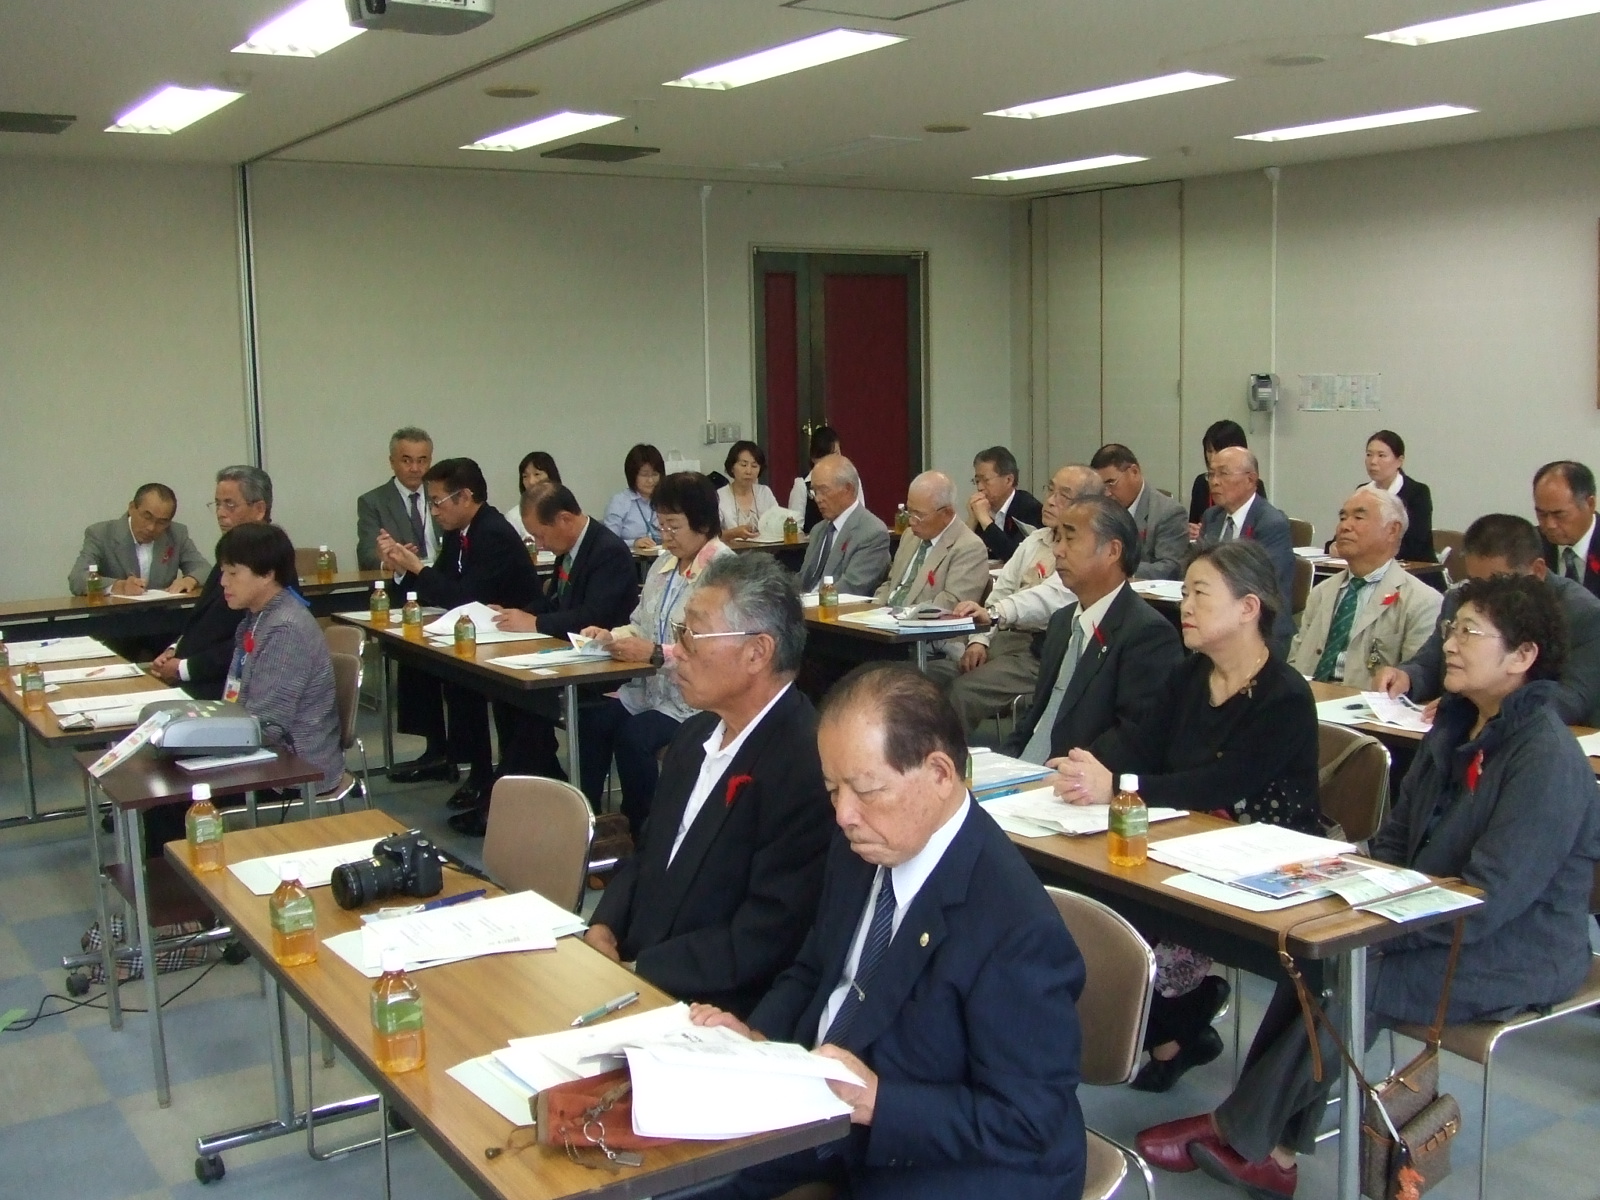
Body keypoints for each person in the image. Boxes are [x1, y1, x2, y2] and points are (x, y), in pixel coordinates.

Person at [1137, 574, 1600, 1199]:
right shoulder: (1455, 728)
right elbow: (1393, 842)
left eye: (1469, 632)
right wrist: (1335, 877)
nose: (1449, 644)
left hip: (1518, 946)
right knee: (1318, 954)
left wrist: (1375, 931)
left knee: (1361, 973)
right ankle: (1270, 1148)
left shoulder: (1544, 756)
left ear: (1523, 657)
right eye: (1451, 628)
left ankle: (1239, 1133)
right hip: (1430, 916)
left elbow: (1493, 899)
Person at [674, 664, 1088, 1200]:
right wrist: (758, 1042)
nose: (844, 814)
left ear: (940, 774)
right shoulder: (865, 845)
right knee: (672, 1175)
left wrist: (878, 1101)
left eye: (867, 789)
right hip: (829, 1108)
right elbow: (814, 971)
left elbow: (1028, 1121)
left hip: (950, 1161)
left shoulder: (1016, 927)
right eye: (832, 789)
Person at [1052, 539, 1320, 1093]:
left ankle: (1179, 1019)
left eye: (1200, 593)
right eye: (1185, 592)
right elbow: (1143, 743)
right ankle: (1178, 1024)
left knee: (1136, 934)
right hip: (1182, 843)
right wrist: (1089, 767)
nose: (1185, 606)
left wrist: (1118, 786)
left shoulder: (1285, 696)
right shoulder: (1190, 674)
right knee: (1090, 906)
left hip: (1264, 867)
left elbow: (1221, 783)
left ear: (1248, 608)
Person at [584, 553, 834, 1018]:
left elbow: (769, 931)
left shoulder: (807, 763)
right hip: (634, 972)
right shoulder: (695, 734)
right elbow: (650, 850)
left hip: (712, 1005)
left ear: (757, 652)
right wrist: (604, 925)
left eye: (691, 635)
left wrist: (638, 972)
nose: (676, 651)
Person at [376, 457, 540, 830]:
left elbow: (464, 596)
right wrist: (403, 568)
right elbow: (441, 585)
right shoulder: (458, 531)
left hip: (516, 638)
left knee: (465, 683)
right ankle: (462, 763)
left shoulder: (493, 531)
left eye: (438, 502)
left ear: (465, 497)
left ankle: (488, 777)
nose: (434, 511)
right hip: (481, 635)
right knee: (433, 669)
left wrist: (418, 568)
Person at [578, 473, 733, 834]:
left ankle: (645, 830)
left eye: (673, 526)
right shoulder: (664, 567)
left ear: (703, 524)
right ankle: (588, 822)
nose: (665, 535)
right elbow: (640, 624)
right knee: (593, 722)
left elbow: (715, 647)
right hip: (652, 690)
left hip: (697, 699)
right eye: (660, 525)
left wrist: (654, 653)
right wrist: (610, 636)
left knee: (634, 737)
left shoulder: (722, 572)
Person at [485, 483, 639, 809]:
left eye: (540, 535)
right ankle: (531, 786)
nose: (539, 544)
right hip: (572, 655)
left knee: (530, 700)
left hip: (605, 665)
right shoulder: (569, 548)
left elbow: (593, 615)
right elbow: (555, 601)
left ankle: (532, 800)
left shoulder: (607, 551)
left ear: (564, 519)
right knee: (508, 692)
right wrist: (516, 615)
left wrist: (535, 624)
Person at [1000, 495, 1183, 763]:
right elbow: (1038, 714)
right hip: (1025, 767)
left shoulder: (1148, 634)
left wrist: (1064, 771)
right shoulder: (1061, 621)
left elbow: (1135, 737)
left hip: (1076, 774)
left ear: (1112, 551)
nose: (1058, 550)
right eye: (1057, 538)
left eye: (1070, 539)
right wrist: (1005, 761)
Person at [1376, 513, 1600, 725]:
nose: (1482, 597)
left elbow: (1571, 699)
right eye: (1475, 582)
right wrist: (1407, 677)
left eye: (1497, 582)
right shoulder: (1460, 600)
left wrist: (1475, 708)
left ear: (1537, 571)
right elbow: (1431, 662)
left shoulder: (1584, 614)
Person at [939, 464, 1100, 733]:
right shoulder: (1036, 539)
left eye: (1064, 495)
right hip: (1003, 637)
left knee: (961, 692)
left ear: (1088, 506)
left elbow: (1050, 598)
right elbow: (1002, 589)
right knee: (927, 680)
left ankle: (945, 757)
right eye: (1050, 490)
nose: (1050, 500)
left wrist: (995, 614)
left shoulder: (1084, 553)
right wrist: (979, 640)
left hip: (1041, 649)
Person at [216, 523, 345, 790]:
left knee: (175, 798)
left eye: (233, 573)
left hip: (293, 768)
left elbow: (268, 726)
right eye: (223, 572)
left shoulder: (285, 629)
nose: (223, 582)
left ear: (267, 574)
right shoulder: (256, 618)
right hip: (260, 751)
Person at [1287, 488, 1441, 688]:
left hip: (1364, 702)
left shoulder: (1422, 602)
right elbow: (1294, 662)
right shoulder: (1322, 592)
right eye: (1343, 518)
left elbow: (1416, 678)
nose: (1344, 526)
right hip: (1308, 697)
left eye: (1358, 517)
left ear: (1392, 530)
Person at [151, 467, 280, 697]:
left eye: (230, 504)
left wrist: (184, 668)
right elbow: (202, 621)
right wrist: (174, 649)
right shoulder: (230, 552)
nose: (220, 513)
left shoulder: (270, 562)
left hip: (224, 688)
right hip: (194, 680)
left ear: (259, 509)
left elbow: (252, 642)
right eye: (217, 504)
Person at [1196, 446, 1296, 654]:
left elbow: (1264, 585)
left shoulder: (1271, 523)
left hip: (1261, 626)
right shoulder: (1212, 517)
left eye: (1223, 474)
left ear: (1250, 479)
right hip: (1215, 619)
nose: (1214, 482)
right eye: (1211, 474)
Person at [873, 471, 990, 612]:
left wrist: (902, 615)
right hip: (882, 618)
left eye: (919, 515)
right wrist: (873, 608)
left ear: (946, 513)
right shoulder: (910, 536)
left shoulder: (969, 548)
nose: (911, 521)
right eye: (909, 511)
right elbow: (891, 584)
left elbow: (952, 604)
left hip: (919, 622)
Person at [68, 483, 206, 597]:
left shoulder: (177, 533)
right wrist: (118, 586)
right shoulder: (101, 534)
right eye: (147, 517)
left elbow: (203, 568)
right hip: (114, 618)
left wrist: (190, 580)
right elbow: (77, 579)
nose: (151, 527)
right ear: (132, 508)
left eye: (161, 522)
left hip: (163, 617)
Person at [795, 454, 891, 597]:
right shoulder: (818, 530)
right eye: (814, 491)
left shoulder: (872, 532)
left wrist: (809, 601)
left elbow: (853, 587)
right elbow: (803, 579)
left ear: (848, 489)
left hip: (835, 606)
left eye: (824, 490)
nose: (818, 499)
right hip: (806, 603)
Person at [1091, 443, 1190, 580]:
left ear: (1134, 472)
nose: (1107, 493)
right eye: (1102, 487)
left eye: (1111, 483)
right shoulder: (1101, 510)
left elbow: (1170, 568)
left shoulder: (1169, 512)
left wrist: (1118, 569)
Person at [355, 426, 439, 571]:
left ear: (430, 461)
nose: (415, 468)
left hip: (441, 577)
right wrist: (387, 562)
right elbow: (366, 554)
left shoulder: (442, 496)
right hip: (401, 578)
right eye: (406, 461)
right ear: (392, 462)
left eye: (421, 461)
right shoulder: (372, 502)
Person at [1362, 429, 1435, 564]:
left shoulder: (1417, 493)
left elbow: (1415, 544)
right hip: (1371, 565)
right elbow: (1347, 531)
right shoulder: (1362, 492)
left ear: (1399, 461)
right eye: (1369, 455)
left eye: (1381, 455)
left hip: (1416, 569)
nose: (1373, 461)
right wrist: (1335, 546)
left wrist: (1368, 551)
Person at [1534, 459, 1600, 600]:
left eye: (1559, 514)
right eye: (1542, 514)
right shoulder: (1529, 545)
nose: (1550, 524)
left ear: (1590, 504)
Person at [967, 445, 1043, 560]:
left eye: (986, 480)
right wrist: (972, 520)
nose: (980, 487)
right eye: (977, 481)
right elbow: (960, 555)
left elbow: (1015, 557)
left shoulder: (1029, 508)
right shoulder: (983, 508)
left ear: (1009, 480)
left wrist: (985, 521)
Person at [1187, 418, 1263, 531]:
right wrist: (1193, 531)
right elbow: (1193, 522)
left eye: (1219, 451)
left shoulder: (1250, 483)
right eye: (1209, 451)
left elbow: (1255, 527)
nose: (1213, 457)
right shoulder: (1201, 482)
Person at [604, 443, 665, 550]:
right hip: (631, 558)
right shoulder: (620, 502)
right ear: (632, 475)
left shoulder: (666, 500)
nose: (650, 480)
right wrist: (634, 543)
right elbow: (609, 541)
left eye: (655, 474)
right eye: (644, 475)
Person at [717, 441, 778, 540]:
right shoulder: (719, 496)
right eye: (743, 465)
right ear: (732, 467)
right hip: (730, 549)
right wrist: (734, 533)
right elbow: (710, 536)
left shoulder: (764, 493)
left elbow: (778, 523)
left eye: (754, 466)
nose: (749, 471)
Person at [788, 425, 843, 532]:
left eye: (836, 454)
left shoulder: (849, 480)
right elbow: (794, 528)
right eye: (825, 456)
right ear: (813, 458)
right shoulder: (802, 484)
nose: (830, 461)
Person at [506, 450, 562, 543]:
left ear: (551, 476)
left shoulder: (565, 509)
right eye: (525, 476)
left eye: (537, 474)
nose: (531, 482)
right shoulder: (514, 516)